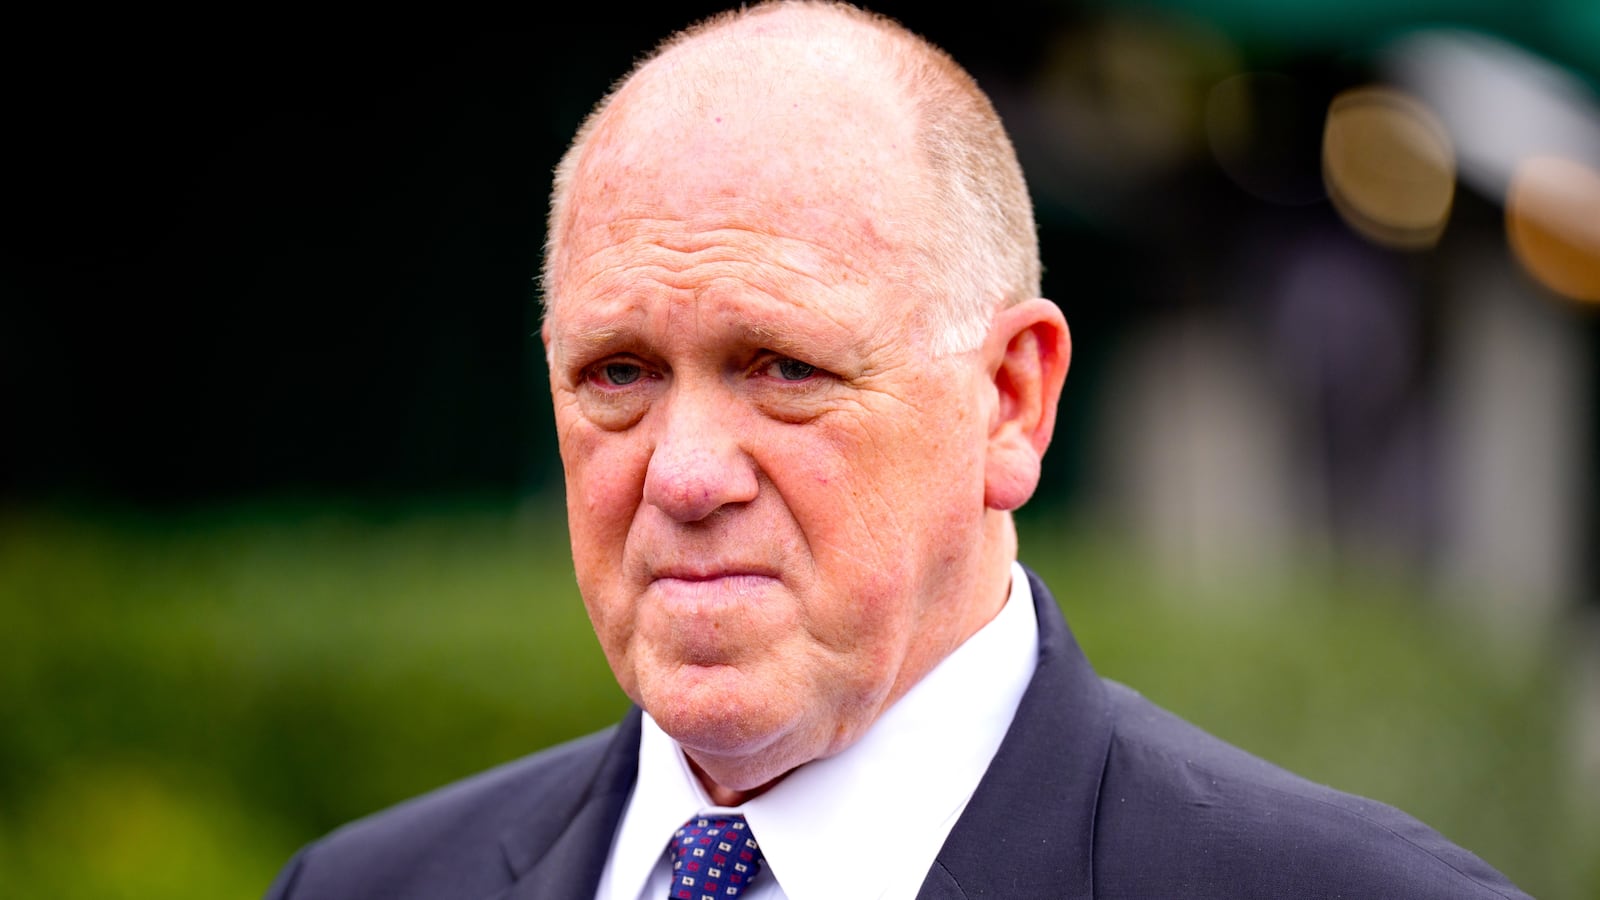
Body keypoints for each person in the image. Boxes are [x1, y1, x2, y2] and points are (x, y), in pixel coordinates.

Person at [264, 3, 1531, 898]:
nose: (687, 472)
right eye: (618, 375)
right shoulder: (359, 886)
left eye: (784, 369)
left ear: (1012, 403)